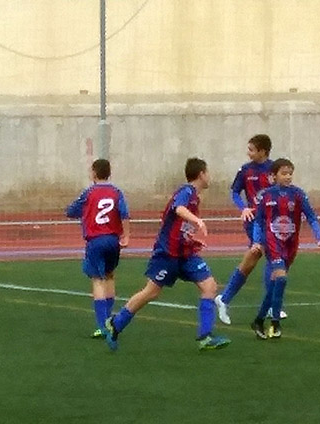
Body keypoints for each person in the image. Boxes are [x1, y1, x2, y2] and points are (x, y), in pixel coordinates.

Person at [101, 158, 230, 351]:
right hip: (167, 254)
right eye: (208, 172)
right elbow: (179, 209)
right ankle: (116, 323)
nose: (209, 176)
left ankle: (205, 337)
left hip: (186, 254)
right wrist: (198, 221)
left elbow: (180, 227)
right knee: (151, 292)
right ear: (202, 174)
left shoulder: (195, 197)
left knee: (209, 286)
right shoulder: (186, 192)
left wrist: (192, 239)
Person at [250, 158, 320, 339]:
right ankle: (275, 322)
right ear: (273, 176)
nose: (288, 177)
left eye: (290, 173)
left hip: (290, 245)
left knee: (276, 284)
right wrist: (257, 241)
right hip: (272, 244)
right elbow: (259, 221)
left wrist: (319, 237)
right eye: (284, 173)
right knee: (281, 279)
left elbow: (311, 217)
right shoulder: (266, 196)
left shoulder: (298, 195)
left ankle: (259, 320)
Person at [215, 134, 279, 324]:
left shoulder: (274, 169)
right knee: (270, 255)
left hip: (272, 221)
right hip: (254, 221)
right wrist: (243, 208)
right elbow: (234, 192)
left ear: (263, 151)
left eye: (251, 149)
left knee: (254, 259)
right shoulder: (245, 170)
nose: (248, 152)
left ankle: (224, 298)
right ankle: (270, 306)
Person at [65, 158, 130, 338]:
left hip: (96, 240)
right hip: (113, 240)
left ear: (94, 172)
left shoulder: (88, 193)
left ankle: (102, 325)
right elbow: (124, 214)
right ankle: (110, 320)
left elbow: (71, 211)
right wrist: (126, 235)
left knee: (97, 280)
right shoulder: (117, 192)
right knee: (109, 276)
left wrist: (79, 211)